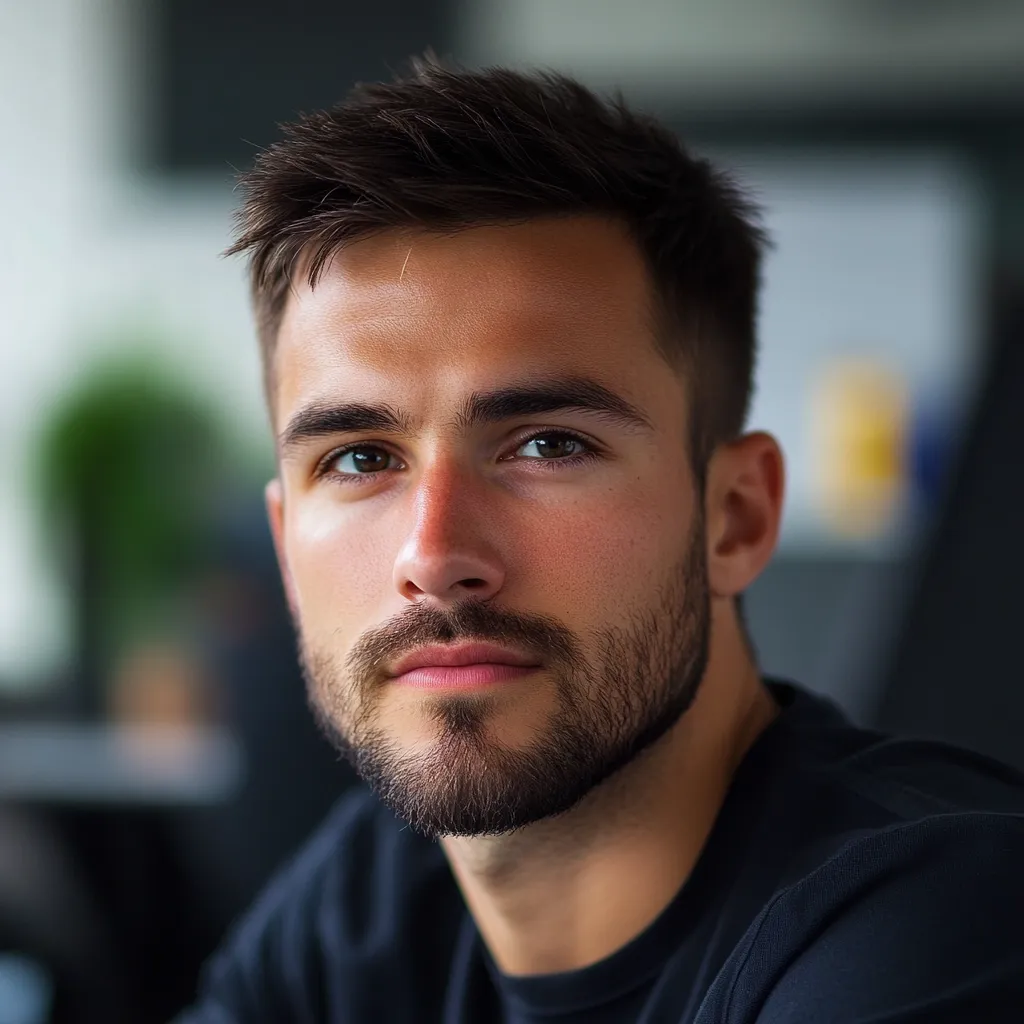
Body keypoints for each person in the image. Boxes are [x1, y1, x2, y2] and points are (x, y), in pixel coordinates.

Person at [178, 58, 1024, 1023]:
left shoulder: (938, 922)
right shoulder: (371, 905)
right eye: (361, 459)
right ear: (288, 550)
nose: (433, 553)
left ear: (735, 517)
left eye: (548, 444)